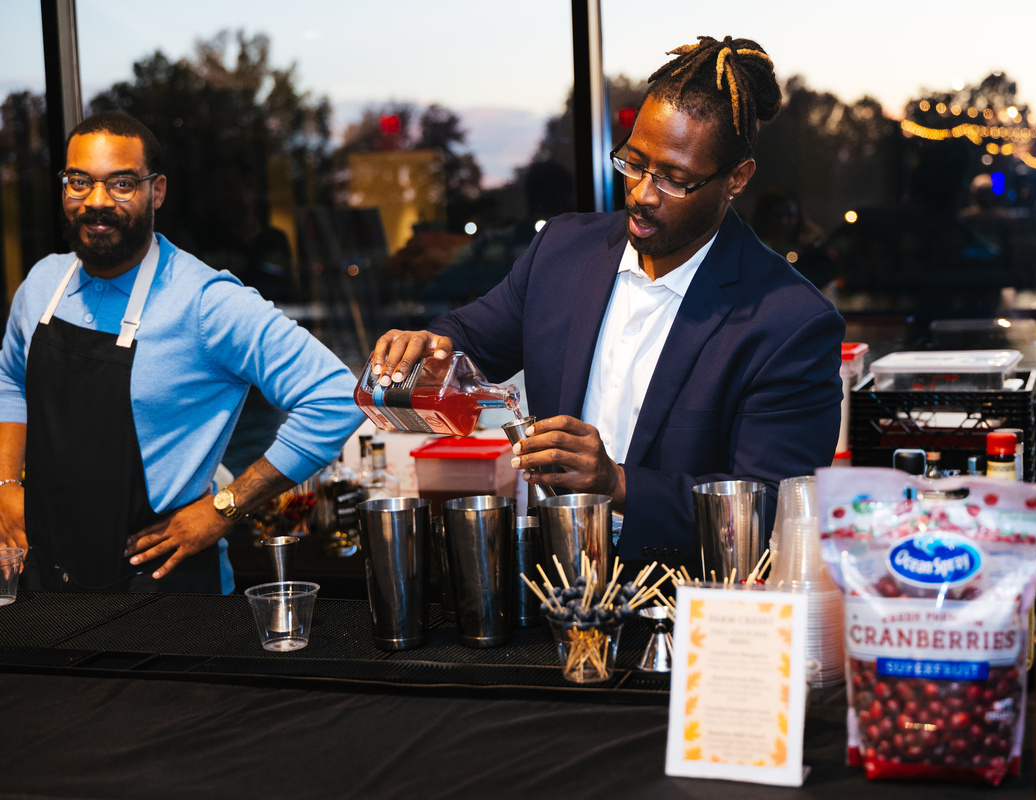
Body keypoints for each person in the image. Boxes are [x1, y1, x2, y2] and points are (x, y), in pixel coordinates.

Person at [371, 36, 844, 568]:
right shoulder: (563, 250)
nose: (642, 193)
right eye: (634, 163)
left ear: (736, 179)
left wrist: (616, 483)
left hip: (684, 611)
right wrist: (427, 345)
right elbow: (472, 339)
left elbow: (769, 515)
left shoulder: (789, 322)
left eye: (675, 179)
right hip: (551, 585)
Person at [0, 112, 362, 593]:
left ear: (158, 191)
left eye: (122, 184)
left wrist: (226, 506)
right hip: (46, 579)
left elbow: (337, 396)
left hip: (164, 592)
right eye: (79, 182)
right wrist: (6, 487)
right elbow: (10, 381)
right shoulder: (42, 284)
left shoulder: (205, 302)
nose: (97, 202)